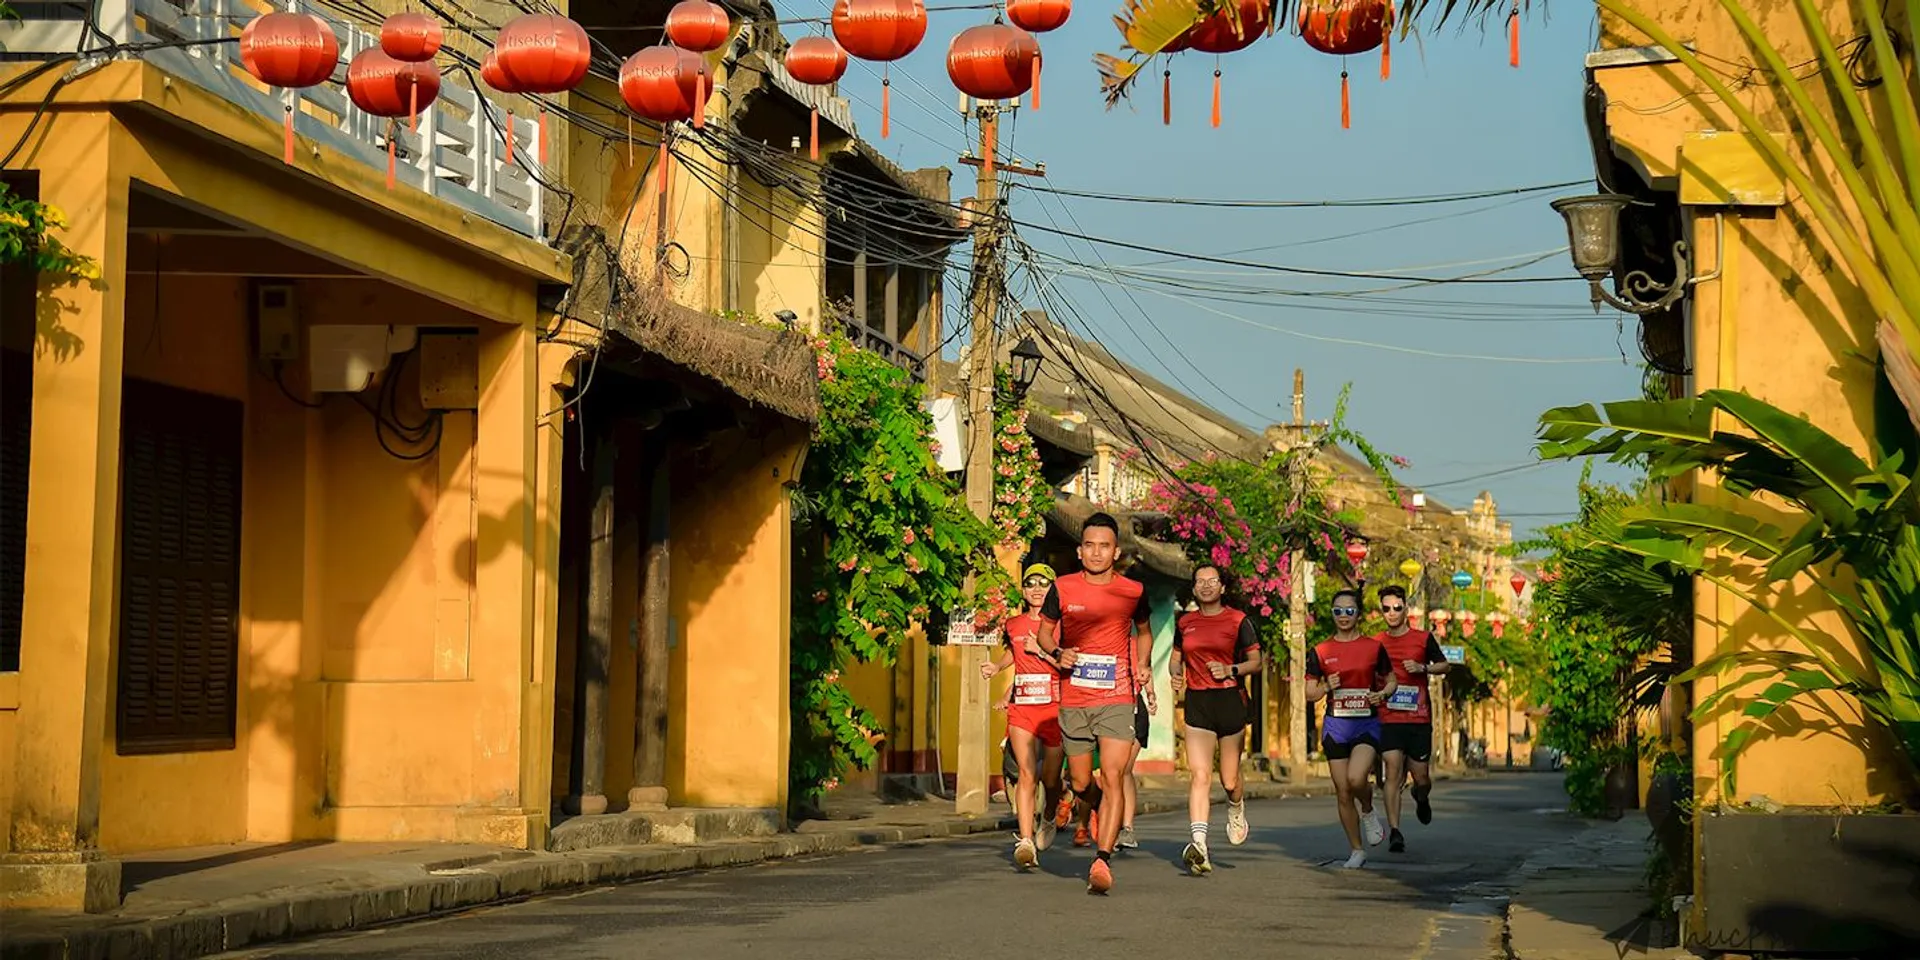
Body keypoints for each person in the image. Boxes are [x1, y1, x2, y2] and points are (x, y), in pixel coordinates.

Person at [1035, 512, 1155, 894]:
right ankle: (1099, 804)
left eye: (1104, 546)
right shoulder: (1063, 588)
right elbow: (1043, 632)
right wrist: (1058, 652)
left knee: (1114, 774)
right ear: (1080, 549)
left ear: (1115, 551)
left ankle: (1102, 860)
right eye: (1090, 545)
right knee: (1082, 780)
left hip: (1117, 695)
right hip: (1075, 697)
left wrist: (1143, 664)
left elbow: (1145, 632)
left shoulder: (1133, 591)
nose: (1097, 552)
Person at [1169, 564, 1262, 875]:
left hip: (1230, 700)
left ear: (1222, 587)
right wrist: (1175, 676)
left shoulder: (1238, 620)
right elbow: (1176, 659)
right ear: (1194, 589)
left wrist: (1230, 670)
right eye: (1200, 581)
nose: (1206, 586)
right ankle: (1199, 845)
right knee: (1199, 775)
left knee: (1229, 780)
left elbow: (1255, 662)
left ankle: (1236, 807)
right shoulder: (1185, 622)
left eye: (1212, 581)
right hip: (1198, 702)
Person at [982, 564, 1068, 869]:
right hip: (1023, 709)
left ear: (1053, 590)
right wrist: (997, 668)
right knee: (1026, 775)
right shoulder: (1014, 624)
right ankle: (1026, 841)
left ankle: (1049, 815)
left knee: (1051, 778)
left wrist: (1042, 652)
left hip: (1055, 709)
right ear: (1023, 590)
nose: (1036, 589)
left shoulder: (1062, 626)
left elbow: (1069, 667)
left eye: (1043, 584)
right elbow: (1013, 652)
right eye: (1030, 584)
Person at [1305, 587, 1397, 869]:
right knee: (1342, 789)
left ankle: (1368, 810)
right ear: (1332, 614)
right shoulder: (1320, 651)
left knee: (1357, 779)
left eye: (1349, 611)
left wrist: (1382, 695)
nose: (1343, 616)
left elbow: (1391, 680)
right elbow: (1309, 692)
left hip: (1366, 722)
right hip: (1336, 725)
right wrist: (1324, 686)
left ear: (1358, 614)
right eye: (1337, 612)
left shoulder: (1374, 647)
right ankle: (1357, 849)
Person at [1373, 585, 1450, 852]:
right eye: (1386, 608)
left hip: (1418, 719)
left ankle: (1421, 796)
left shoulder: (1423, 638)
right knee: (1392, 770)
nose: (1391, 613)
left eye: (1396, 607)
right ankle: (1395, 830)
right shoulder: (1376, 642)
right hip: (1388, 717)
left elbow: (1444, 665)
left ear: (1406, 608)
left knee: (1421, 777)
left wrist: (1422, 668)